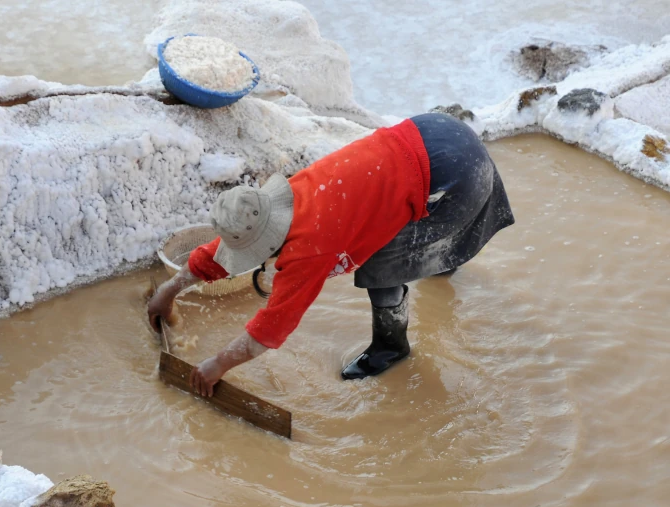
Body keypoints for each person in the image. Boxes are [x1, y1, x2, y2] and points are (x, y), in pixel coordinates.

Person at [148, 114, 514, 396]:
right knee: (400, 233)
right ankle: (434, 257)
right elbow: (223, 249)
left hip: (458, 177)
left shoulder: (309, 249)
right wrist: (171, 290)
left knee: (382, 263)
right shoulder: (286, 197)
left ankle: (391, 348)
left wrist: (218, 364)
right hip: (436, 130)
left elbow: (271, 328)